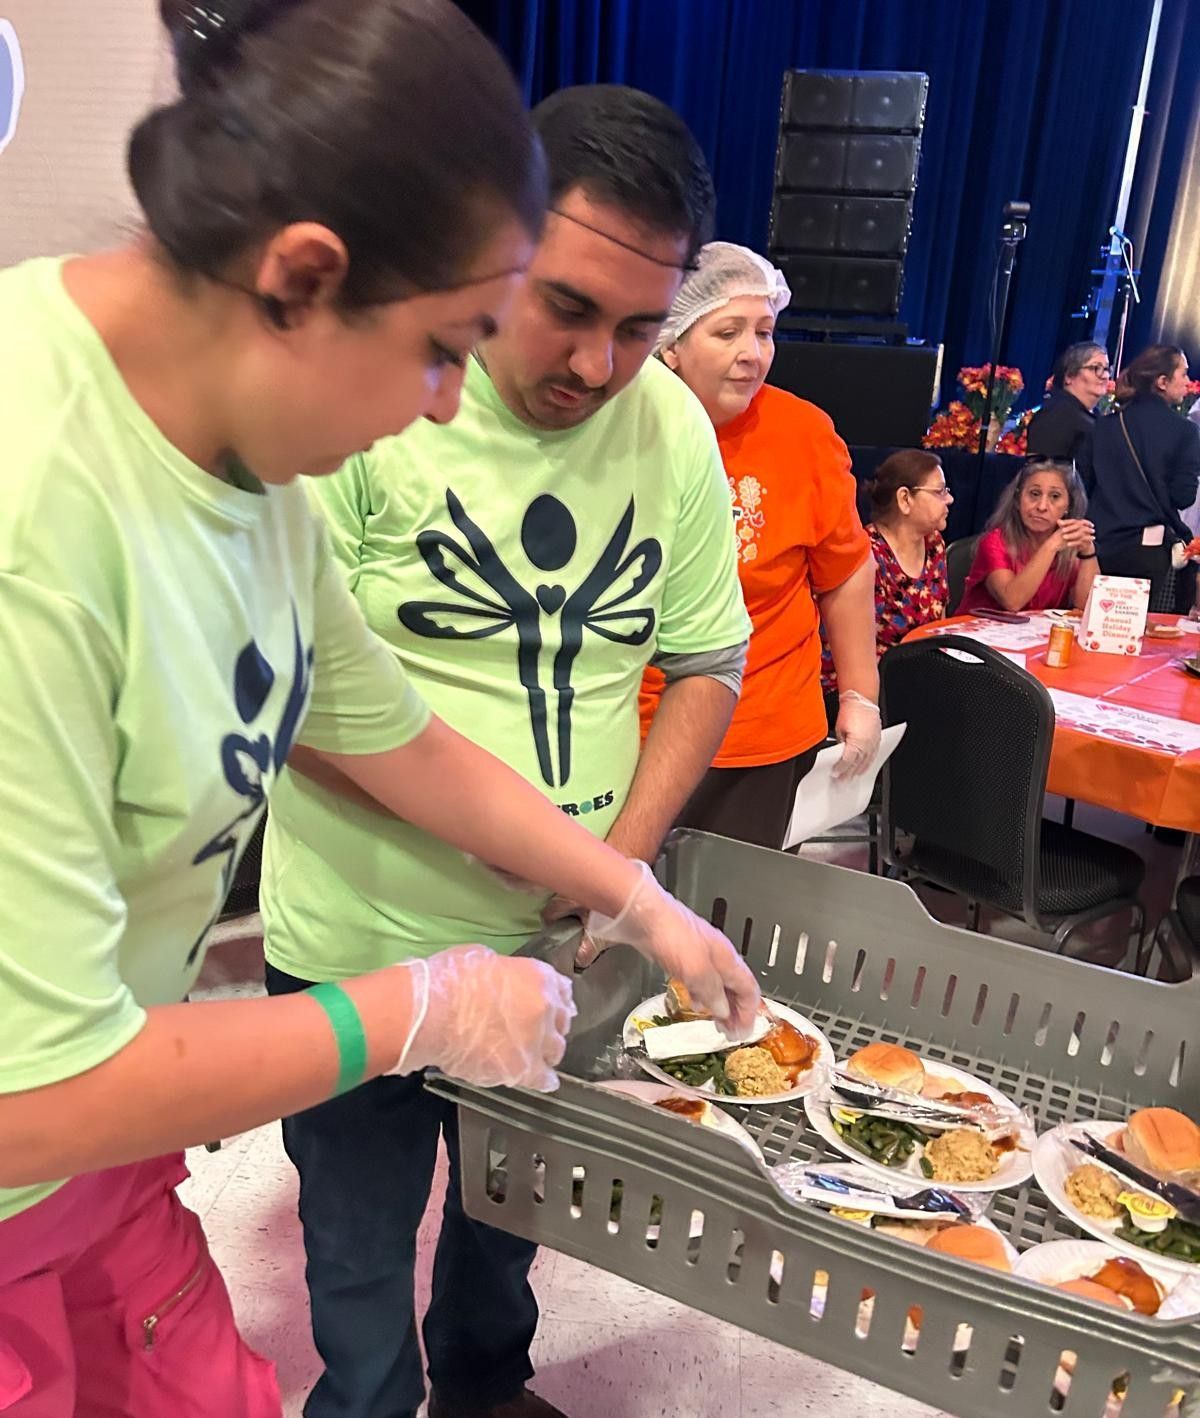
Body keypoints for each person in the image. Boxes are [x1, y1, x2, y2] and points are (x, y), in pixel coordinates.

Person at [0, 9, 759, 1415]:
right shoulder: (33, 520)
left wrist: (626, 886)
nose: (440, 409)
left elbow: (389, 733)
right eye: (439, 349)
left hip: (107, 1172)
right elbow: (26, 1097)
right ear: (302, 276)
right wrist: (402, 1011)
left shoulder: (243, 463)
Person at [259, 88, 753, 1418]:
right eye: (568, 310)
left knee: (506, 1231)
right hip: (357, 931)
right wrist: (542, 847)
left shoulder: (673, 433)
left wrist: (615, 867)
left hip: (555, 948)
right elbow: (298, 694)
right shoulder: (380, 401)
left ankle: (484, 1389)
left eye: (642, 328)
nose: (598, 367)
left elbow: (709, 658)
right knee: (354, 1251)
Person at [639, 242, 880, 850]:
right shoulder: (622, 426)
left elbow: (846, 571)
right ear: (672, 345)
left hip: (763, 731)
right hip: (632, 727)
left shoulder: (803, 433)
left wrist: (859, 695)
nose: (752, 354)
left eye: (765, 332)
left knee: (731, 915)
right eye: (728, 333)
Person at [1079, 345, 1200, 612]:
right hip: (1149, 552)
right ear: (1162, 382)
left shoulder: (1103, 426)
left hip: (1098, 548)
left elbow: (1083, 486)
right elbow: (1184, 495)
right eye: (1183, 374)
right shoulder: (1185, 432)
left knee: (1093, 629)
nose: (1188, 382)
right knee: (1140, 641)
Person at [960, 459, 1098, 614]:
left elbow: (1088, 609)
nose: (1042, 506)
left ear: (1068, 506)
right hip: (977, 634)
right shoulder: (994, 542)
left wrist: (1088, 552)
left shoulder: (1070, 547)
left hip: (1036, 636)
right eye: (1034, 494)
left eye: (1055, 496)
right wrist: (1050, 546)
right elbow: (1013, 601)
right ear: (1018, 500)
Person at [857, 449, 952, 659]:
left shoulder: (934, 543)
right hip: (876, 681)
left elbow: (940, 626)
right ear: (905, 499)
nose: (950, 499)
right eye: (940, 491)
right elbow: (856, 653)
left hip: (923, 672)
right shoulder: (867, 553)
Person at [1026, 342, 1111, 461]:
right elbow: (1042, 471)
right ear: (1069, 376)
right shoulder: (1055, 415)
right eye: (1095, 368)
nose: (1105, 376)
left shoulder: (1095, 416)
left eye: (1106, 369)